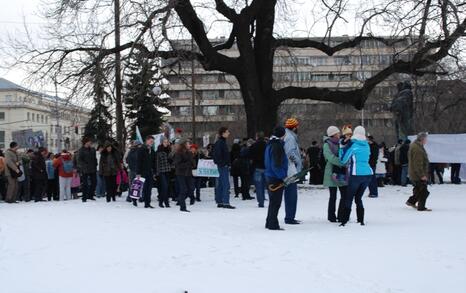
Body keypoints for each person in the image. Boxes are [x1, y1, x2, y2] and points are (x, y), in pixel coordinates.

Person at [339, 126, 373, 226]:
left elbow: (343, 160)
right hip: (368, 174)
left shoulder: (353, 146)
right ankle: (361, 220)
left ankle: (344, 221)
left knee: (349, 198)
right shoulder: (367, 145)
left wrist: (342, 148)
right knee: (358, 198)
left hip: (356, 174)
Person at [265, 127, 288, 230]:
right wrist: (282, 176)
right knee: (276, 202)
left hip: (269, 175)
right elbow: (276, 164)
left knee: (272, 201)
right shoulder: (277, 146)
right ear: (282, 135)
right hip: (275, 177)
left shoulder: (270, 144)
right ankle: (273, 224)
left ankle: (269, 221)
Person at [323, 126, 348, 223]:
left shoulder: (341, 143)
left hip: (341, 172)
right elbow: (329, 157)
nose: (339, 134)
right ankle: (331, 216)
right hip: (331, 172)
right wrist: (341, 162)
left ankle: (341, 215)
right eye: (337, 133)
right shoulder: (327, 144)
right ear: (333, 134)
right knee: (333, 196)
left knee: (344, 194)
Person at [283, 118, 302, 225]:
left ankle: (290, 216)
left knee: (290, 193)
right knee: (291, 194)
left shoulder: (287, 135)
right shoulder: (290, 137)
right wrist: (298, 162)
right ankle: (290, 217)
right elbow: (290, 152)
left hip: (289, 167)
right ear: (294, 127)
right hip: (290, 169)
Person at [406, 133, 432, 211]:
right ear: (422, 139)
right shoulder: (417, 149)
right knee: (424, 191)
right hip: (417, 174)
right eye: (426, 139)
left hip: (414, 173)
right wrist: (422, 175)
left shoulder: (416, 146)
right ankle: (421, 207)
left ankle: (411, 201)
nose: (427, 140)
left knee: (418, 189)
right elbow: (418, 163)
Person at [213, 127, 235, 209]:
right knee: (225, 184)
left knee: (221, 184)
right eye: (227, 132)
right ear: (223, 133)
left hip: (221, 165)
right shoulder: (221, 143)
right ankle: (225, 202)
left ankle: (220, 201)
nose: (228, 133)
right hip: (223, 166)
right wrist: (224, 163)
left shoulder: (220, 142)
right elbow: (218, 155)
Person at [173, 139, 195, 212]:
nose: (190, 145)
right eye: (188, 144)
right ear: (184, 145)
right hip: (181, 174)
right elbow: (177, 164)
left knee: (190, 189)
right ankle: (183, 207)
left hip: (188, 173)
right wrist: (187, 164)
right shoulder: (178, 153)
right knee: (183, 190)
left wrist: (192, 164)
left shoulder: (190, 153)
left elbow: (192, 163)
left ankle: (180, 199)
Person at [136, 135, 157, 208]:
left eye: (153, 142)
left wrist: (154, 172)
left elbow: (154, 162)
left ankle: (148, 203)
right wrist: (138, 172)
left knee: (149, 188)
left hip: (150, 172)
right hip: (143, 172)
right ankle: (138, 200)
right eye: (151, 141)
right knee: (143, 188)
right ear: (147, 141)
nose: (152, 143)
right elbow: (138, 162)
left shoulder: (152, 151)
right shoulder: (141, 149)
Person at [249, 131, 268, 208]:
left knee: (259, 186)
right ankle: (269, 199)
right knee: (268, 185)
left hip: (257, 167)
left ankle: (261, 202)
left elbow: (250, 155)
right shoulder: (267, 145)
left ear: (257, 137)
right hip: (266, 167)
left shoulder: (254, 146)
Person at [77, 137, 98, 202]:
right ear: (85, 142)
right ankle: (84, 197)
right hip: (85, 169)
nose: (90, 143)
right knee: (85, 184)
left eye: (90, 142)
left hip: (92, 168)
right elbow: (79, 160)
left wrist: (95, 164)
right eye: (88, 142)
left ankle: (90, 195)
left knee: (94, 182)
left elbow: (94, 158)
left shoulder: (92, 149)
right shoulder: (81, 150)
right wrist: (83, 166)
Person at [156, 138, 172, 207]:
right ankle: (162, 201)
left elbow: (172, 160)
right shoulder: (159, 150)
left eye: (167, 142)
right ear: (162, 143)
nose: (166, 143)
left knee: (167, 187)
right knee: (164, 187)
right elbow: (157, 162)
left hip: (168, 171)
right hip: (161, 171)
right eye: (164, 142)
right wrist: (157, 172)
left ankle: (165, 202)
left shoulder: (169, 150)